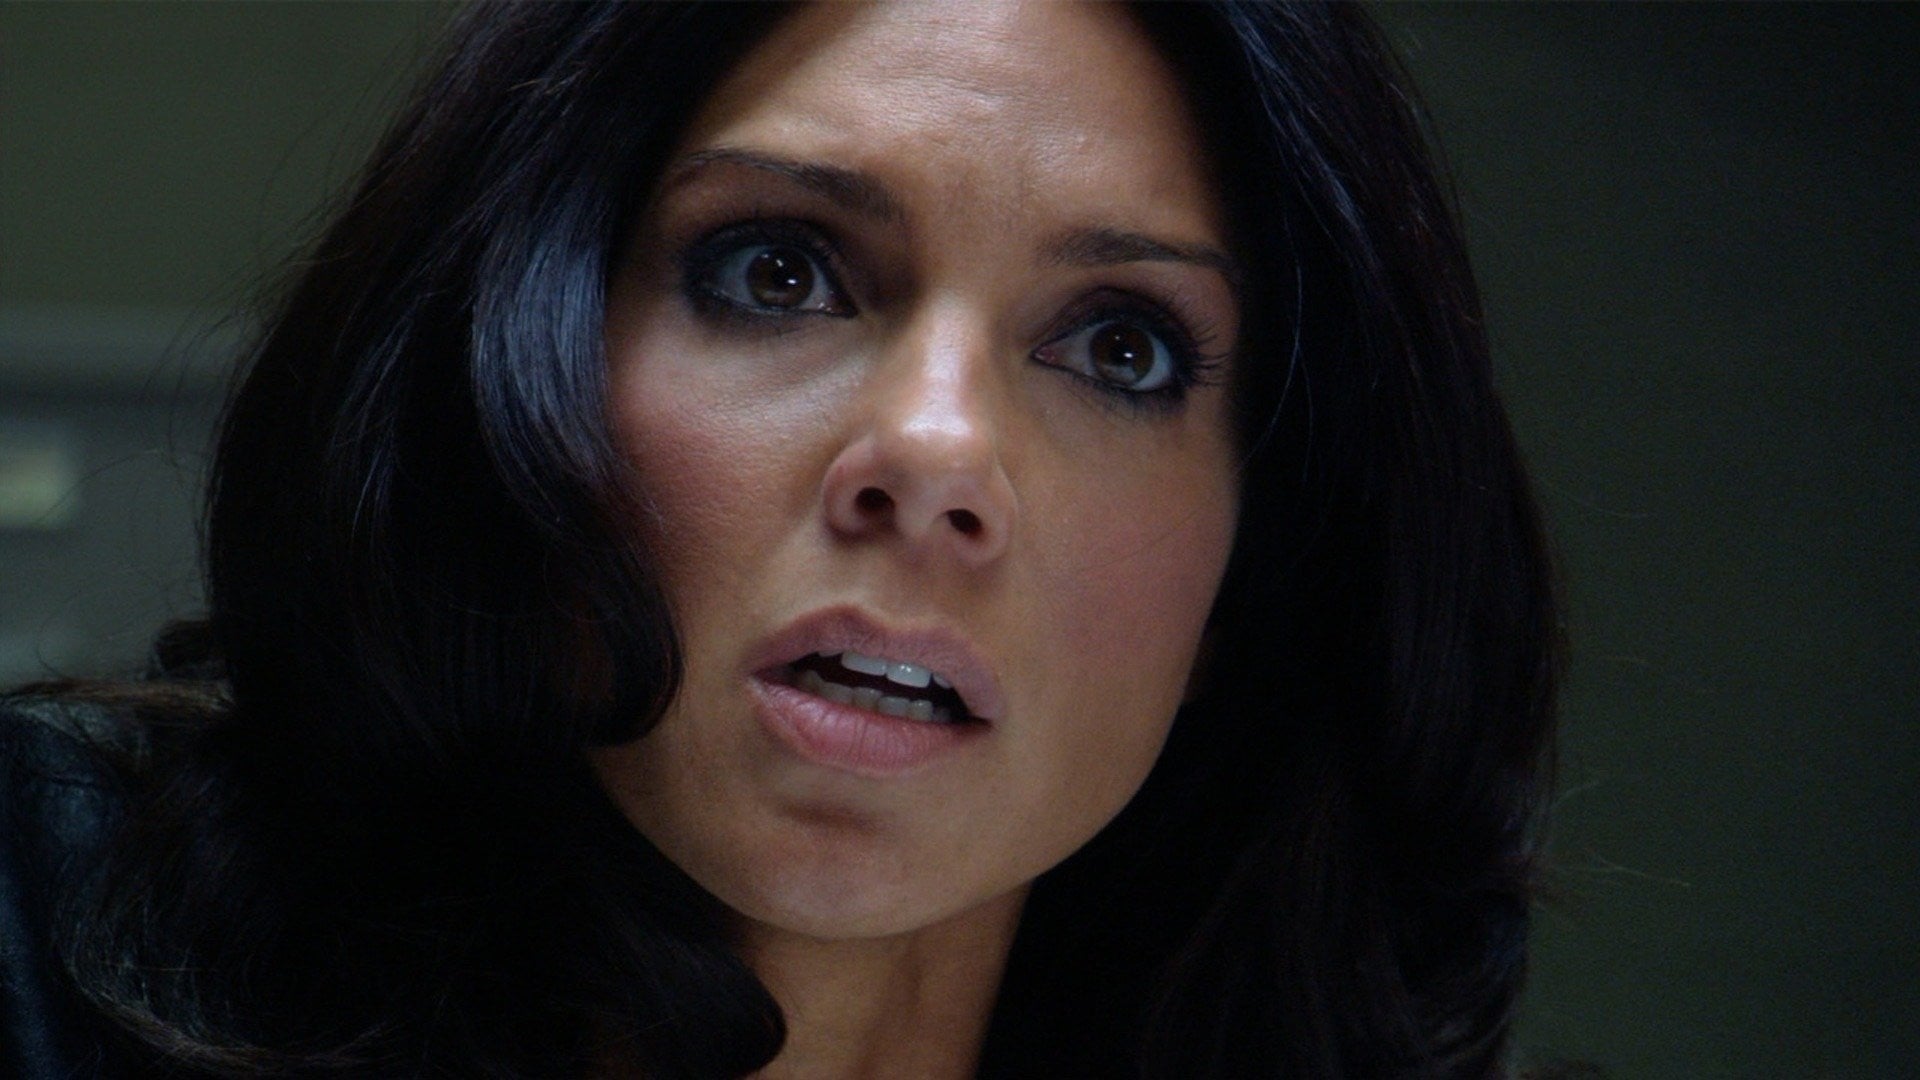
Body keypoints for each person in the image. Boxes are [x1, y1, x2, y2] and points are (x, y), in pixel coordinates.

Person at [0, 2, 1561, 1077]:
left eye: (1120, 350)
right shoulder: (39, 938)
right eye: (780, 272)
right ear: (513, 357)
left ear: (1252, 576)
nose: (937, 456)